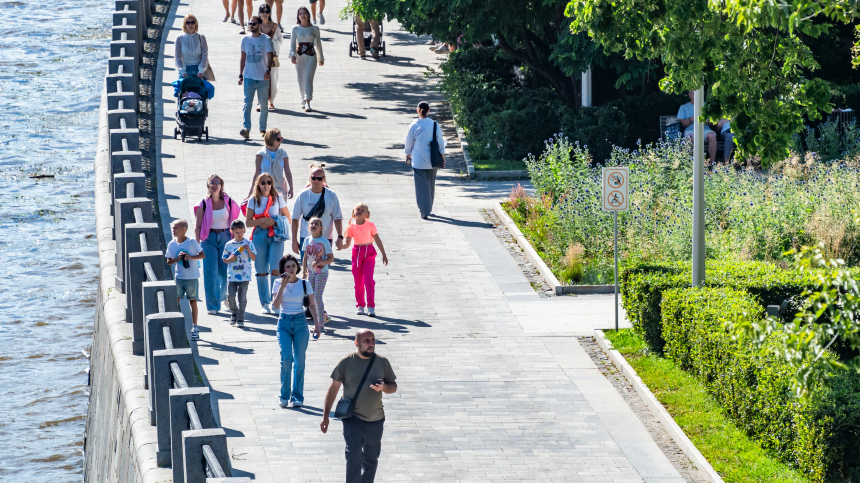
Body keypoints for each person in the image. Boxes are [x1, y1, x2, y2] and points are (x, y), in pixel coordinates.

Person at [320, 329, 397, 483]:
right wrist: (326, 416)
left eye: (373, 340)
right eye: (366, 341)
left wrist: (384, 387)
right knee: (353, 456)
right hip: (352, 419)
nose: (371, 344)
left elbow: (393, 386)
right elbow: (333, 389)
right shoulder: (346, 362)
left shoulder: (382, 362)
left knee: (371, 459)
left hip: (375, 420)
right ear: (356, 343)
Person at [272, 254, 318, 408]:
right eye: (288, 267)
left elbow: (311, 304)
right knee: (286, 359)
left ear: (297, 267)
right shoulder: (277, 283)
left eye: (293, 266)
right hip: (284, 323)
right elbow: (276, 306)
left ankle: (297, 396)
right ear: (283, 270)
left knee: (299, 361)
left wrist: (318, 325)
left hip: (300, 324)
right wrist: (283, 286)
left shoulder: (305, 283)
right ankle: (284, 396)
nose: (291, 269)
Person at [195, 174, 242, 315]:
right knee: (210, 273)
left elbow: (236, 219)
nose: (215, 185)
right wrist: (197, 244)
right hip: (208, 239)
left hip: (226, 237)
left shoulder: (229, 201)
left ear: (221, 185)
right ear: (208, 185)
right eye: (212, 182)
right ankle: (213, 306)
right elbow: (197, 226)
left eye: (217, 182)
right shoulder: (203, 203)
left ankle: (222, 297)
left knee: (225, 272)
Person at [246, 173, 290, 314]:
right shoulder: (253, 200)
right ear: (258, 184)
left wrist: (274, 221)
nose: (266, 185)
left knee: (276, 269)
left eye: (268, 182)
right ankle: (264, 302)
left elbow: (287, 218)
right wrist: (262, 221)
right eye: (263, 182)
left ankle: (275, 302)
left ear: (272, 184)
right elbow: (248, 222)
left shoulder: (278, 198)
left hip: (276, 234)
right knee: (261, 270)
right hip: (259, 235)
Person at [339, 203, 388, 317]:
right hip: (357, 253)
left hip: (369, 252)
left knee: (368, 280)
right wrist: (342, 246)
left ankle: (371, 306)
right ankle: (360, 305)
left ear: (367, 214)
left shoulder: (371, 225)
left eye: (362, 210)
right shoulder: (351, 227)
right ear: (354, 212)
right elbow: (347, 243)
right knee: (358, 281)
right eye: (357, 209)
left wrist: (384, 254)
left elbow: (377, 239)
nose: (359, 211)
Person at [291, 163, 344, 260]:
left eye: (319, 179)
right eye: (314, 178)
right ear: (309, 178)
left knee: (322, 271)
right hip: (306, 238)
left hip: (325, 238)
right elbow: (295, 218)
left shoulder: (331, 195)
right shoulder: (302, 195)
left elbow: (337, 217)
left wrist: (340, 237)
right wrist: (294, 240)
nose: (316, 181)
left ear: (324, 179)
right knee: (306, 270)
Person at [404, 101, 446, 219]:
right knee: (430, 184)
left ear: (418, 110)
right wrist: (443, 157)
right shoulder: (434, 125)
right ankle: (428, 207)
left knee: (421, 187)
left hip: (418, 161)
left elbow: (409, 142)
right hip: (433, 161)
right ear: (429, 111)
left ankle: (424, 210)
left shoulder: (414, 125)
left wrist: (408, 154)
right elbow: (440, 142)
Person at [165, 220, 205, 340]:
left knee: (193, 301)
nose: (173, 230)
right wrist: (178, 259)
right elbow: (168, 261)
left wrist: (190, 257)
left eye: (176, 228)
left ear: (184, 229)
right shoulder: (172, 244)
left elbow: (202, 255)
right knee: (175, 301)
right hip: (179, 277)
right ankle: (173, 325)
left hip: (192, 277)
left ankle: (195, 327)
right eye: (173, 228)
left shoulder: (192, 242)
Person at [238, 16, 274, 139]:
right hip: (249, 77)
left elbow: (270, 56)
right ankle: (246, 128)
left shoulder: (266, 39)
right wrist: (240, 74)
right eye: (249, 23)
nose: (251, 25)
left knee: (264, 104)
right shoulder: (245, 40)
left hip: (263, 77)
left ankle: (262, 129)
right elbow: (243, 58)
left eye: (253, 24)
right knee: (247, 104)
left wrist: (268, 70)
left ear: (260, 25)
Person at [302, 217, 333, 339]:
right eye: (311, 223)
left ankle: (320, 324)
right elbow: (305, 257)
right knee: (311, 298)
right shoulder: (307, 240)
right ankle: (320, 320)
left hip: (322, 273)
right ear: (308, 227)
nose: (313, 225)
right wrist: (304, 270)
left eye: (316, 223)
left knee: (317, 297)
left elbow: (331, 258)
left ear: (321, 228)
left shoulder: (324, 241)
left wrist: (321, 263)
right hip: (311, 273)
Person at [222, 219, 257, 327]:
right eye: (237, 232)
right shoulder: (229, 245)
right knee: (231, 296)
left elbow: (254, 258)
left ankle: (240, 318)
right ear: (232, 231)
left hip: (244, 275)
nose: (240, 234)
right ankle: (234, 312)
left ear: (244, 230)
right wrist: (230, 259)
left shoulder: (248, 243)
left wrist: (249, 250)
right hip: (232, 276)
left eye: (241, 231)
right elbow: (224, 259)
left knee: (242, 297)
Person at [289, 7, 324, 112]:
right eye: (300, 14)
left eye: (304, 13)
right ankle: (302, 98)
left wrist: (320, 58)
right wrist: (292, 55)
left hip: (311, 56)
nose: (302, 15)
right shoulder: (295, 28)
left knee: (308, 77)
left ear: (308, 15)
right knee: (300, 78)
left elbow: (318, 44)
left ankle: (308, 100)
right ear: (298, 16)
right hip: (299, 56)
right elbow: (292, 44)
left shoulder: (314, 28)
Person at [248, 128, 293, 199]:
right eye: (278, 139)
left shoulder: (283, 154)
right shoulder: (260, 155)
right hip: (264, 188)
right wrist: (251, 191)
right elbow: (257, 173)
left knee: (280, 209)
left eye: (281, 139)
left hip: (280, 187)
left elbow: (287, 172)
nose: (280, 141)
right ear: (271, 139)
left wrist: (291, 188)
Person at [677, 89, 717, 162]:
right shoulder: (684, 107)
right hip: (690, 130)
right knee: (690, 137)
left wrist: (707, 121)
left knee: (712, 135)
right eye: (694, 94)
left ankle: (712, 163)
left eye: (698, 94)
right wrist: (691, 119)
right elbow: (681, 123)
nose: (696, 96)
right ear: (689, 95)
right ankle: (688, 164)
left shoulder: (706, 106)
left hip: (705, 130)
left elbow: (714, 122)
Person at [258, 4, 282, 111]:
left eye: (266, 11)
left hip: (271, 57)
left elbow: (280, 41)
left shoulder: (275, 26)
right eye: (262, 12)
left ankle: (270, 100)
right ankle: (259, 102)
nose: (264, 14)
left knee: (272, 79)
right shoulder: (256, 25)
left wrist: (270, 42)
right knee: (259, 79)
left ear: (270, 13)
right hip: (259, 57)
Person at [175, 15, 210, 80]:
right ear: (185, 25)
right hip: (185, 69)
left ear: (195, 24)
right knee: (179, 88)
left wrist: (201, 71)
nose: (190, 24)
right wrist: (183, 71)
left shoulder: (201, 37)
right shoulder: (180, 38)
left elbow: (205, 55)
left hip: (199, 69)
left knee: (208, 89)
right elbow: (177, 57)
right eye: (188, 23)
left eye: (192, 22)